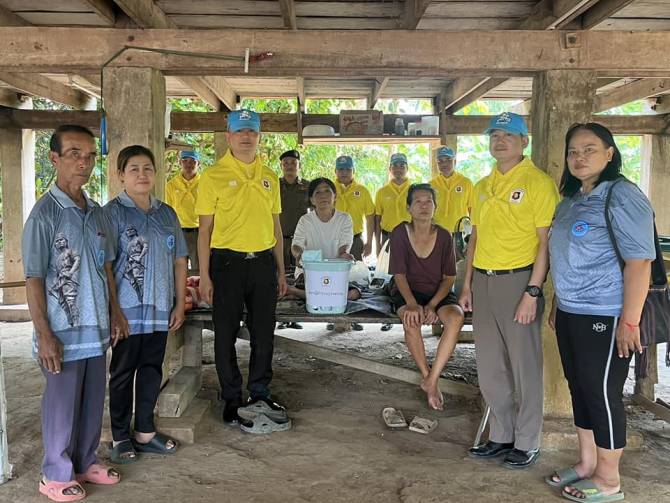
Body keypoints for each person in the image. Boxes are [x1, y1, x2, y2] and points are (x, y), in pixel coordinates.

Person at [547, 123, 654, 502]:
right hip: (570, 310)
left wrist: (630, 321)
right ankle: (587, 463)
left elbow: (639, 262)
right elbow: (564, 255)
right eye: (573, 151)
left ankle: (609, 480)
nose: (579, 157)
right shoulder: (572, 198)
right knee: (579, 387)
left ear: (610, 154)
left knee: (601, 392)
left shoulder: (622, 195)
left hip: (606, 312)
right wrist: (559, 302)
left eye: (589, 149)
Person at [22, 125, 124, 501]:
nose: (84, 163)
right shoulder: (44, 215)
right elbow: (33, 278)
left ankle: (84, 462)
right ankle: (55, 473)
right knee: (62, 402)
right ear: (54, 158)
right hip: (61, 331)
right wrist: (44, 333)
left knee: (92, 400)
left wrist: (115, 312)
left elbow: (106, 267)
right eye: (74, 154)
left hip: (95, 328)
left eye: (90, 156)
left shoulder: (96, 213)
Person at [459, 112, 559, 469]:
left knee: (524, 365)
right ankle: (501, 435)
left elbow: (545, 243)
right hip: (483, 281)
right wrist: (467, 284)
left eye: (508, 135)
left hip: (519, 281)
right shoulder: (482, 186)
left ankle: (527, 440)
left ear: (524, 142)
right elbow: (475, 239)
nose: (500, 141)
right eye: (495, 136)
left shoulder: (538, 183)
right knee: (489, 365)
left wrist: (533, 291)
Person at [196, 109, 289, 426]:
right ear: (229, 137)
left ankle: (259, 392)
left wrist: (281, 270)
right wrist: (204, 276)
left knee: (264, 332)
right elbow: (204, 231)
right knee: (225, 334)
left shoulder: (270, 176)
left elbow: (276, 227)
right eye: (239, 131)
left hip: (263, 263)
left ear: (259, 137)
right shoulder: (212, 176)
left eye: (251, 131)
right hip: (226, 264)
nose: (246, 137)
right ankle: (232, 397)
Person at [104, 145, 188, 464]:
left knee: (152, 370)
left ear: (155, 173)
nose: (142, 175)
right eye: (134, 169)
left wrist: (179, 304)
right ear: (121, 175)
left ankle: (145, 433)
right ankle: (120, 437)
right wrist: (114, 311)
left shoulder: (167, 214)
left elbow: (180, 260)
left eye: (147, 168)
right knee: (123, 372)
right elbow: (105, 266)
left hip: (159, 311)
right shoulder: (112, 214)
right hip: (126, 314)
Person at [388, 184, 465, 410]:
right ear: (409, 208)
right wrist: (412, 304)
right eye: (418, 202)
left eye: (428, 201)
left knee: (456, 318)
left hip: (437, 291)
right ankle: (427, 377)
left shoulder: (444, 236)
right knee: (411, 319)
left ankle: (433, 378)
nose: (423, 206)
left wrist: (432, 305)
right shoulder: (399, 233)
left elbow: (449, 277)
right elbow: (399, 275)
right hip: (406, 290)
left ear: (435, 206)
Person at [288, 177, 361, 302]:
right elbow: (296, 245)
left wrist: (344, 253)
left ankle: (297, 292)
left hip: (335, 272)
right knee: (321, 288)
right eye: (318, 192)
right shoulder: (305, 220)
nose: (323, 196)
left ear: (335, 196)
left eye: (327, 191)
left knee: (354, 293)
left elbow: (345, 244)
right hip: (309, 272)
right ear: (312, 200)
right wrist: (299, 255)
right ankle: (318, 294)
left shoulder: (344, 218)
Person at [375, 152, 411, 332]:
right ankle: (387, 315)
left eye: (401, 165)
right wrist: (377, 243)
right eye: (395, 166)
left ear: (407, 168)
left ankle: (408, 309)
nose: (398, 169)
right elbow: (377, 218)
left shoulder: (413, 190)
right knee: (388, 276)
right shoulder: (382, 192)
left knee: (408, 275)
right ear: (390, 169)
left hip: (410, 237)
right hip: (388, 236)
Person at [277, 149, 309, 330]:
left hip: (300, 242)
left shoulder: (307, 186)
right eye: (286, 163)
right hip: (279, 240)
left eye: (293, 163)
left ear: (299, 165)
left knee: (298, 277)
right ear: (281, 166)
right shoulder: (274, 185)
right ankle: (282, 315)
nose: (289, 166)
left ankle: (296, 315)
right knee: (281, 276)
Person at [334, 155, 375, 262]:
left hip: (355, 241)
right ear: (335, 171)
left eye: (348, 169)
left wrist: (369, 242)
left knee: (356, 270)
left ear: (354, 171)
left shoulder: (363, 191)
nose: (344, 172)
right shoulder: (329, 190)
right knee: (332, 269)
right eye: (341, 169)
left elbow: (370, 217)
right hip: (333, 241)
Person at [165, 150, 200, 273]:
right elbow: (168, 211)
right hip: (178, 231)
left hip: (198, 232)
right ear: (180, 162)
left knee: (198, 268)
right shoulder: (171, 185)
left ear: (198, 163)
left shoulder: (204, 183)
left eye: (192, 161)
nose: (188, 164)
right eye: (185, 161)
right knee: (178, 267)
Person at [429, 146, 473, 233]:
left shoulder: (466, 183)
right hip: (436, 231)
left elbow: (472, 209)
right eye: (440, 161)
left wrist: (473, 232)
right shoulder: (431, 184)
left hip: (459, 231)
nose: (444, 164)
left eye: (448, 160)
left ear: (455, 162)